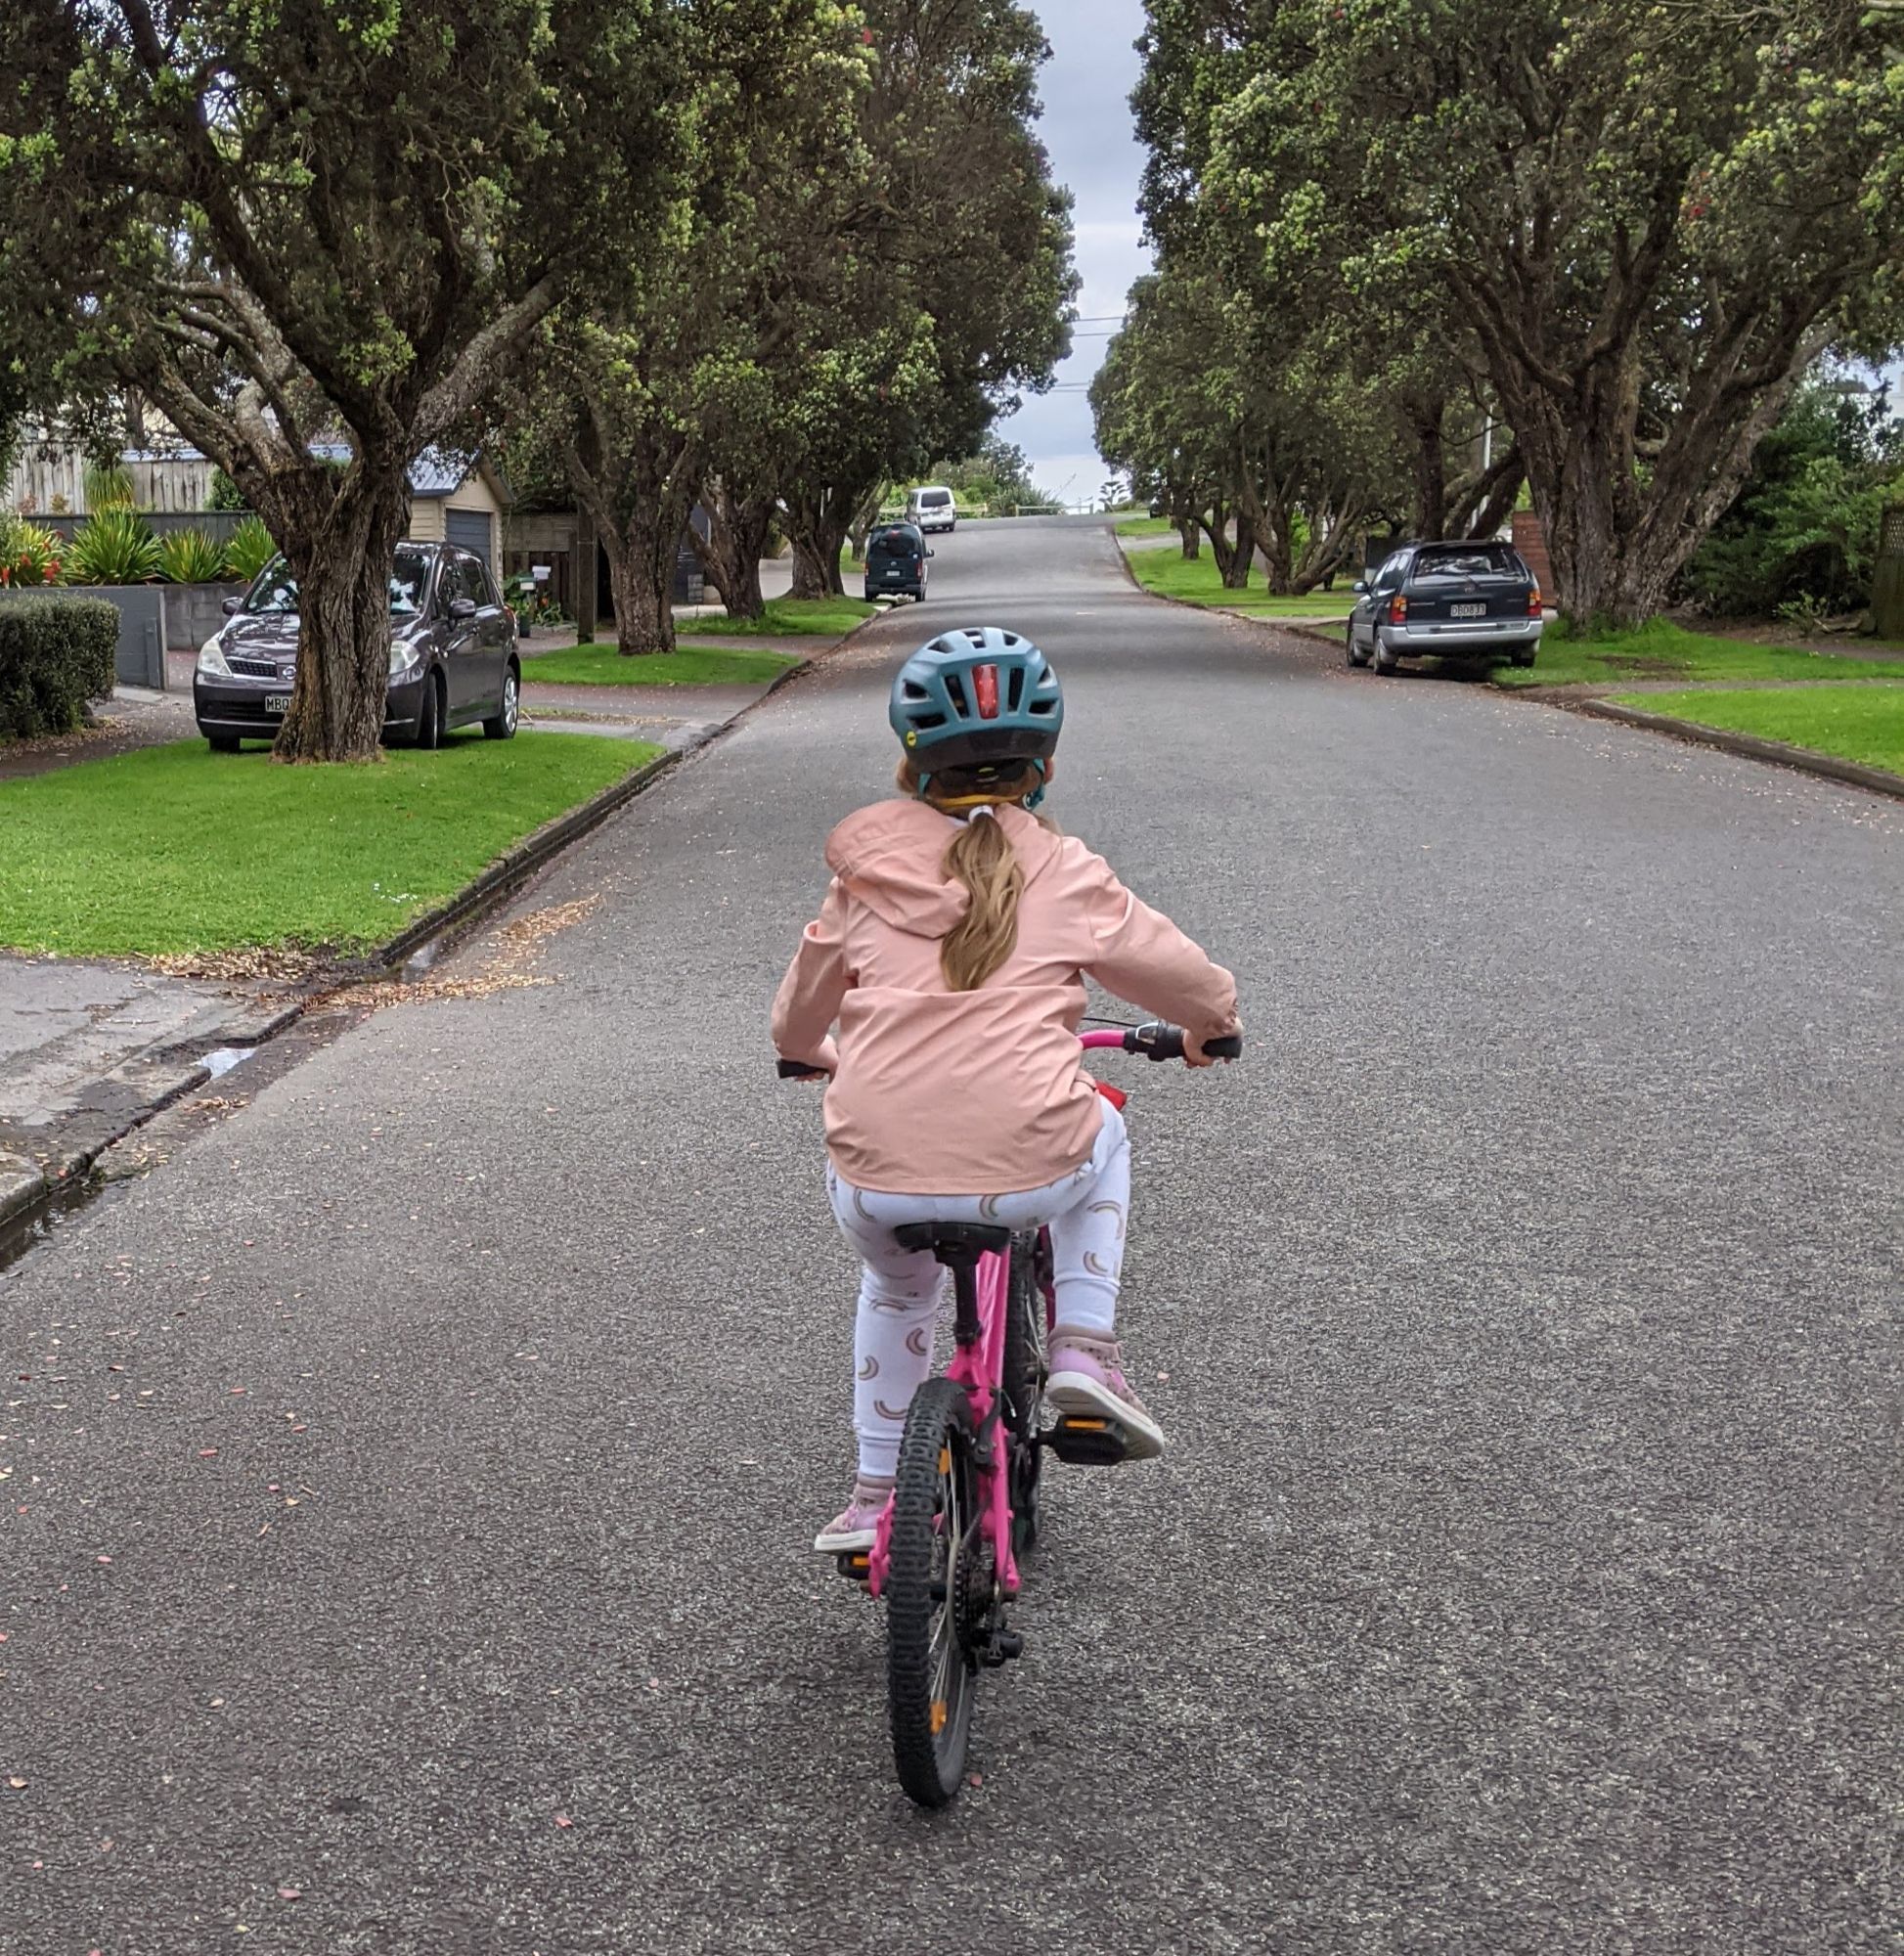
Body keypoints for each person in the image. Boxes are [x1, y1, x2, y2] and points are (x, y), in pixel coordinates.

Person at [772, 626, 1240, 1554]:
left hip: (878, 1175)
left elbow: (797, 1012)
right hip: (1031, 1162)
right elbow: (1188, 982)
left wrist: (809, 1052)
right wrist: (1205, 1029)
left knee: (896, 1291)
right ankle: (1083, 1348)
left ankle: (874, 1497)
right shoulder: (1065, 869)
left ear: (909, 768)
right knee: (1102, 1131)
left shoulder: (861, 877)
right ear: (1046, 768)